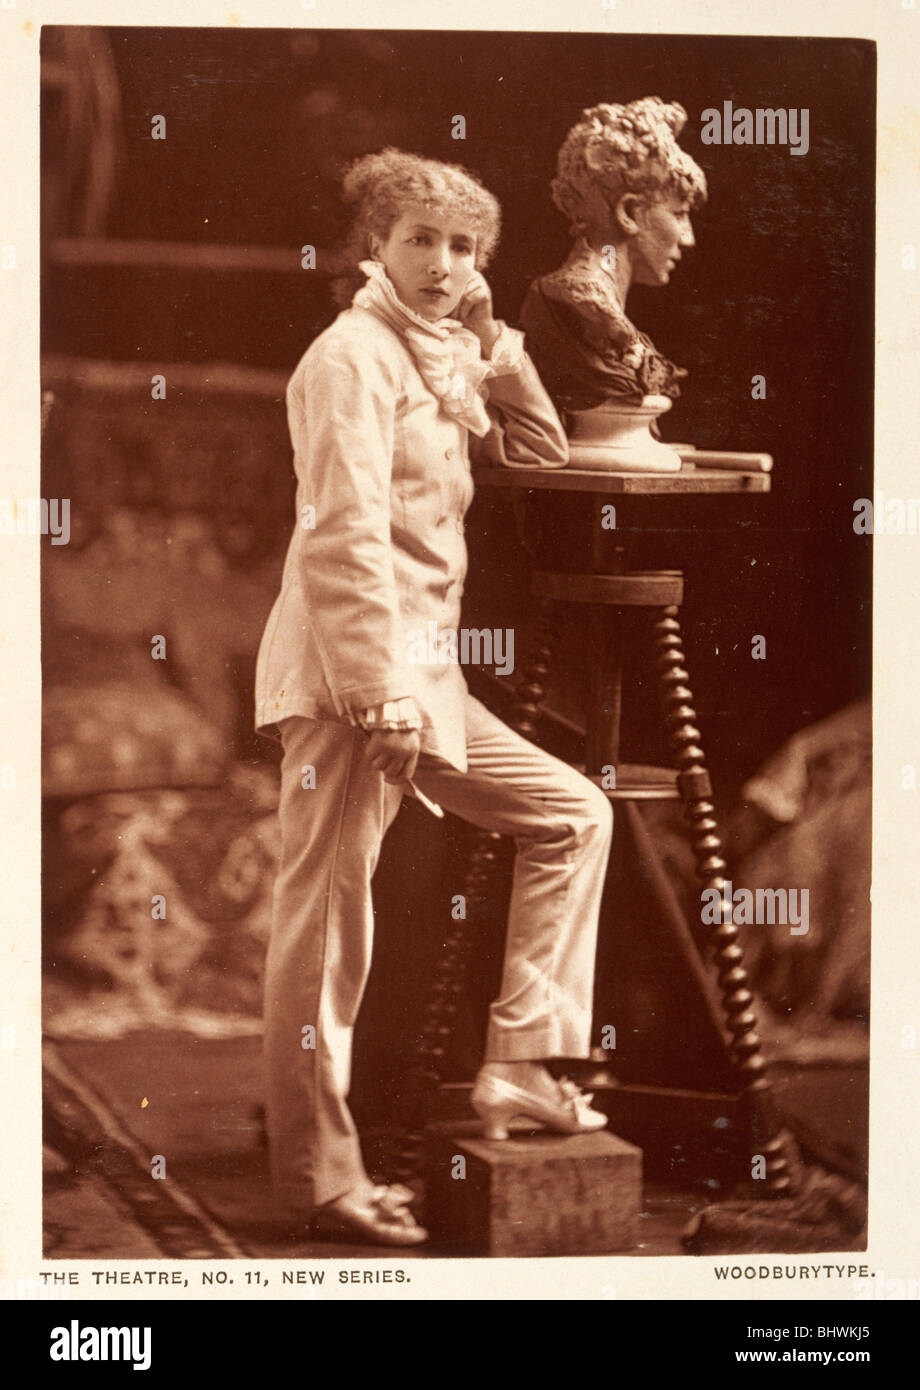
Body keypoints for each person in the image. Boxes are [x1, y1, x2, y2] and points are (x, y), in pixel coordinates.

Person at [254, 148, 614, 1247]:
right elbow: (343, 538)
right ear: (373, 242)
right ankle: (320, 1180)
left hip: (427, 672)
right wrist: (377, 693)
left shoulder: (445, 352)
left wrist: (499, 352)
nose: (444, 262)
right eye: (420, 239)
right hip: (350, 678)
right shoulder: (349, 358)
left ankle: (524, 1069)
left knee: (571, 812)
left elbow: (541, 453)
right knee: (326, 929)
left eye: (464, 246)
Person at [520, 98, 708, 416]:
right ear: (630, 213)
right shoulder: (576, 299)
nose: (688, 238)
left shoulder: (593, 296)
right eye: (679, 214)